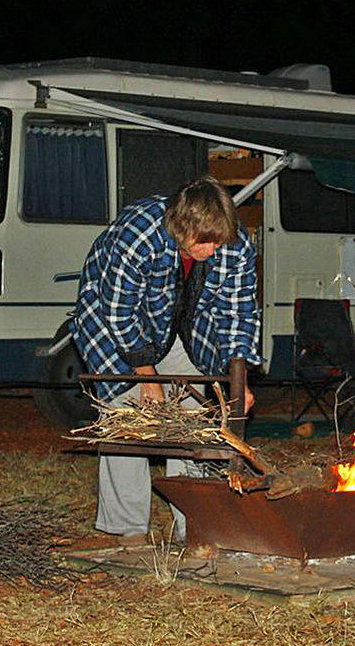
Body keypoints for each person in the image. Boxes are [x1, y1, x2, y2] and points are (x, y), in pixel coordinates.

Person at [70, 176, 261, 543]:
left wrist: (241, 379)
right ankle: (126, 530)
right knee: (127, 416)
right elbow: (119, 310)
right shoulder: (138, 233)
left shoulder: (234, 245)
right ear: (180, 228)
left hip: (180, 324)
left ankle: (194, 525)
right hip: (112, 319)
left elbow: (239, 312)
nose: (212, 250)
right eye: (204, 243)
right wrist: (147, 377)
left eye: (218, 241)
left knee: (196, 415)